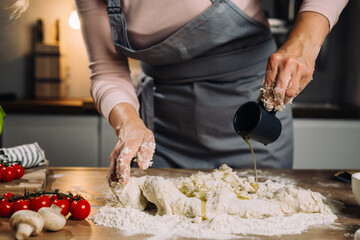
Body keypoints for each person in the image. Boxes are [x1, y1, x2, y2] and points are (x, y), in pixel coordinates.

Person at [13, 0, 348, 186]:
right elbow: (107, 70)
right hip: (165, 129)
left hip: (253, 113)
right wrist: (129, 121)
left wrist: (306, 38)